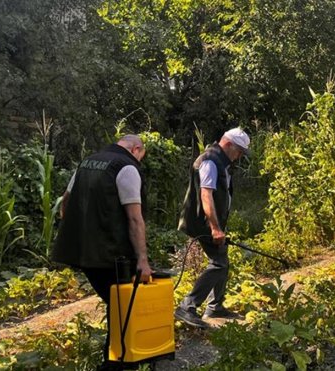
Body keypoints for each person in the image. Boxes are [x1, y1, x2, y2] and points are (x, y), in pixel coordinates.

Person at [51, 134, 152, 366]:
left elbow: (65, 202)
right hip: (110, 254)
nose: (139, 161)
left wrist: (80, 232)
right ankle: (116, 362)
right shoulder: (126, 168)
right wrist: (143, 261)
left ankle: (120, 358)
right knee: (123, 308)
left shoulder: (88, 162)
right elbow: (135, 219)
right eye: (141, 156)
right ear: (136, 149)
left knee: (116, 305)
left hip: (82, 251)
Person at [175, 127, 250, 328]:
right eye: (240, 151)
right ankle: (187, 306)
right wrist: (215, 229)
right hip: (202, 223)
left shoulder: (220, 160)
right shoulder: (210, 161)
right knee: (218, 263)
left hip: (209, 221)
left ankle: (215, 306)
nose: (240, 156)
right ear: (228, 145)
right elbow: (206, 195)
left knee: (222, 258)